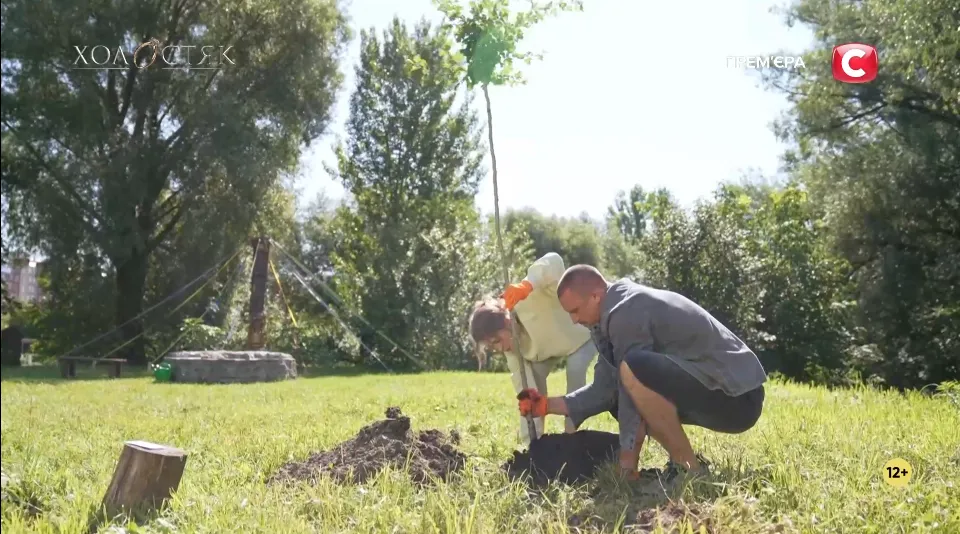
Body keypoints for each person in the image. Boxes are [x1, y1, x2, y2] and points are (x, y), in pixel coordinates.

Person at [517, 264, 767, 480]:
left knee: (634, 371)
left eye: (575, 310)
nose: (573, 320)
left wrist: (627, 460)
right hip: (718, 391)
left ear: (595, 296)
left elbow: (631, 383)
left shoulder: (626, 311)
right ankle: (684, 464)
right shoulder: (607, 318)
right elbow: (605, 389)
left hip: (738, 396)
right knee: (623, 389)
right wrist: (546, 406)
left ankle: (688, 468)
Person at [469, 252, 598, 445]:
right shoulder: (512, 350)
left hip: (581, 337)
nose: (498, 349)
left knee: (576, 371)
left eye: (496, 340)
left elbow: (555, 261)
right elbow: (526, 392)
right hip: (545, 353)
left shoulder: (525, 296)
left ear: (505, 321)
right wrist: (530, 443)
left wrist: (528, 284)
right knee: (533, 391)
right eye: (491, 346)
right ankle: (535, 442)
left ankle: (573, 440)